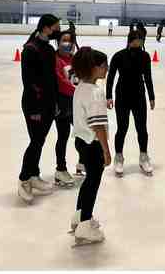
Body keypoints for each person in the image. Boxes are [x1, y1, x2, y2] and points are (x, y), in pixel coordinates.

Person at [17, 14, 61, 204]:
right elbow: (29, 82)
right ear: (45, 28)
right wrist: (36, 108)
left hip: (49, 104)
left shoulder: (48, 48)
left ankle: (34, 175)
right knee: (35, 141)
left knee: (40, 141)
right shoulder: (30, 49)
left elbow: (52, 79)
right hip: (34, 104)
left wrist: (55, 103)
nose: (57, 31)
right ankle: (24, 179)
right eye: (55, 28)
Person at [69, 47, 111, 246]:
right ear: (95, 67)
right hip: (93, 144)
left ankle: (79, 216)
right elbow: (97, 124)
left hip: (80, 140)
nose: (107, 69)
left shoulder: (81, 87)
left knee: (88, 181)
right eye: (104, 66)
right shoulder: (95, 92)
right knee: (93, 183)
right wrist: (106, 149)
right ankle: (85, 224)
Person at [106, 31, 156, 177]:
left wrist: (151, 97)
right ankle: (119, 157)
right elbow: (110, 77)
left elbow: (148, 77)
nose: (141, 42)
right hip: (122, 95)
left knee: (142, 128)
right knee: (122, 127)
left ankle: (143, 156)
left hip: (139, 95)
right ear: (132, 40)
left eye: (142, 40)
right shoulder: (119, 55)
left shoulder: (145, 56)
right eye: (139, 40)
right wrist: (109, 96)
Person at [54, 30, 80, 185]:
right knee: (63, 136)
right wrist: (76, 89)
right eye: (64, 40)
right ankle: (60, 169)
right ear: (58, 41)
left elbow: (80, 77)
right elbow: (59, 80)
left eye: (70, 40)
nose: (67, 43)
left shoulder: (74, 59)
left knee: (82, 132)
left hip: (76, 102)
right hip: (62, 103)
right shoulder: (55, 59)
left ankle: (82, 161)